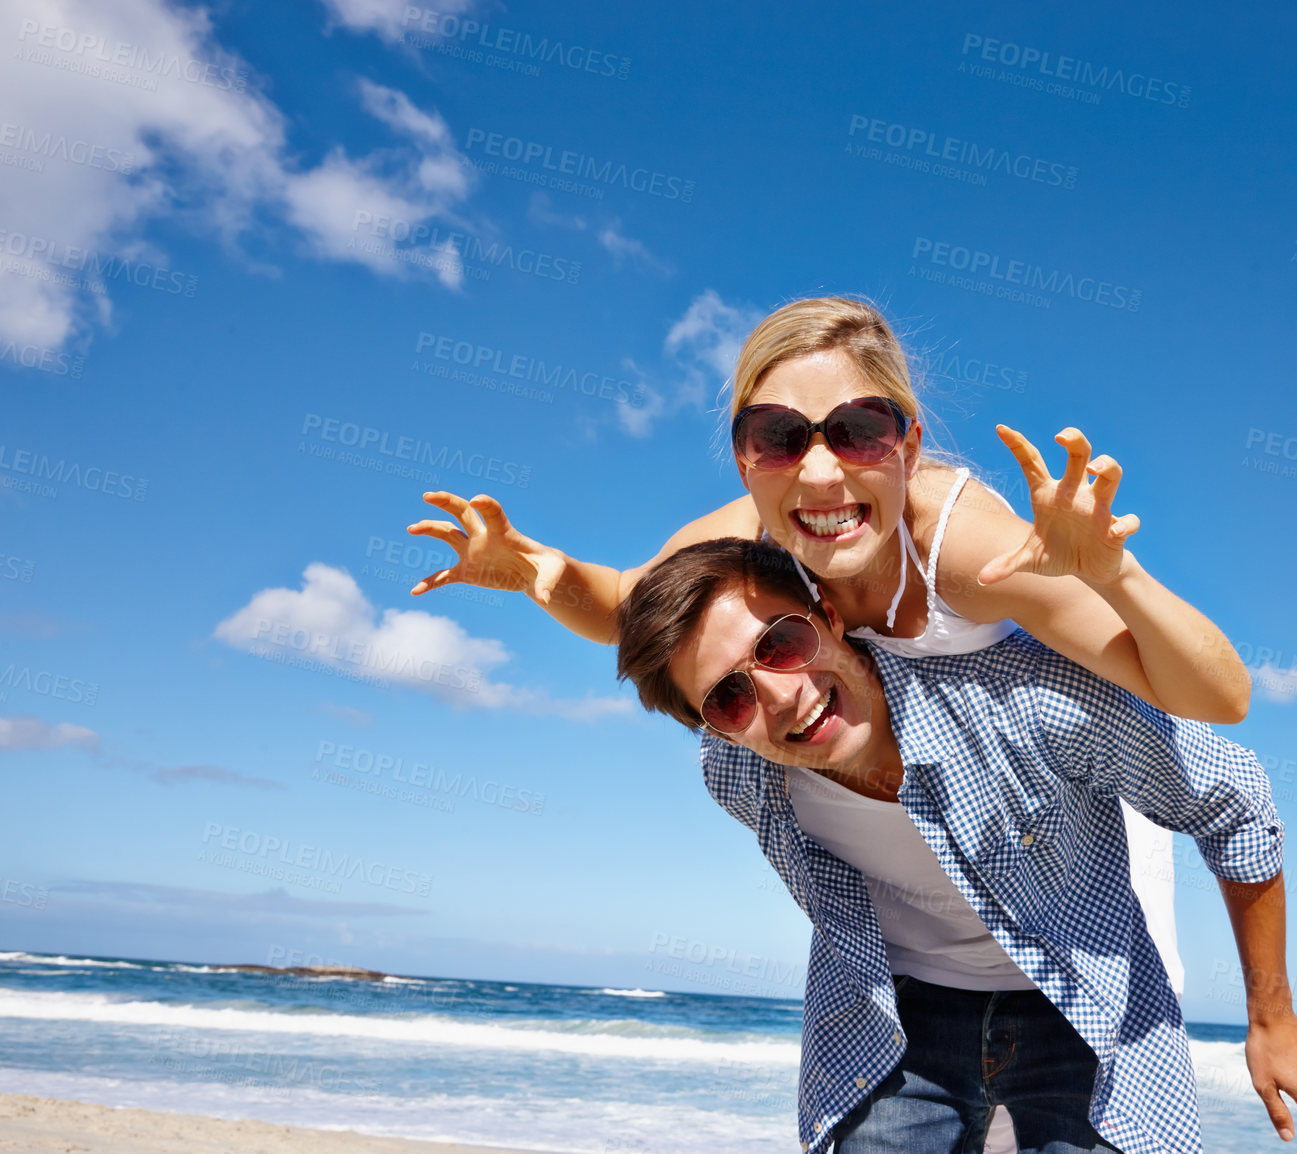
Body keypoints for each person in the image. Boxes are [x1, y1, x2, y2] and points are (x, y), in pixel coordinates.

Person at [407, 296, 1250, 1150]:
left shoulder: (964, 551)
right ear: (744, 459)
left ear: (908, 441)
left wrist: (1119, 578)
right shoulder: (756, 536)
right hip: (917, 950)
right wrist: (535, 572)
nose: (817, 474)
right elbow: (629, 604)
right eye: (776, 436)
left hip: (1050, 849)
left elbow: (1213, 702)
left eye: (856, 429)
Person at [610, 536, 1297, 1154]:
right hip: (900, 1016)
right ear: (711, 727)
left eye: (781, 644)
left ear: (829, 613)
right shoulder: (738, 769)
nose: (781, 697)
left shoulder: (1029, 693)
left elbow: (1234, 805)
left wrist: (1272, 1014)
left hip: (1084, 1002)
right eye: (729, 698)